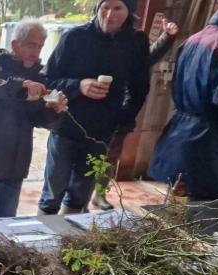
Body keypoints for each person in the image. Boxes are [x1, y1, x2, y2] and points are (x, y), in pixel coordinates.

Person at [37, 0, 150, 215]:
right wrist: (78, 85)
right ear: (97, 9)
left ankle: (69, 241)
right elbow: (48, 81)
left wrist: (122, 120)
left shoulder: (136, 42)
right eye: (105, 7)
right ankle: (41, 241)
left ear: (130, 12)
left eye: (118, 8)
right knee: (52, 194)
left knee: (80, 194)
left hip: (101, 133)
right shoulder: (75, 37)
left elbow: (139, 88)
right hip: (66, 126)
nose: (109, 15)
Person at [0, 20, 68, 219]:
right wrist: (16, 86)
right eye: (30, 45)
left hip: (17, 166)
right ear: (15, 45)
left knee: (8, 222)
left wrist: (54, 110)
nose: (35, 52)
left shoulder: (39, 80)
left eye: (39, 46)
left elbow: (39, 120)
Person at [90, 17, 180, 210]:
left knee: (111, 154)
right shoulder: (92, 37)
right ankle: (77, 199)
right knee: (87, 154)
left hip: (122, 108)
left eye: (119, 10)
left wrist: (167, 37)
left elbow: (146, 58)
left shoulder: (133, 39)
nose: (112, 15)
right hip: (93, 107)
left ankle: (99, 194)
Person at [149, 3, 218, 203]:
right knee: (208, 218)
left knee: (180, 210)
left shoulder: (194, 38)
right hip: (212, 146)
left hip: (182, 134)